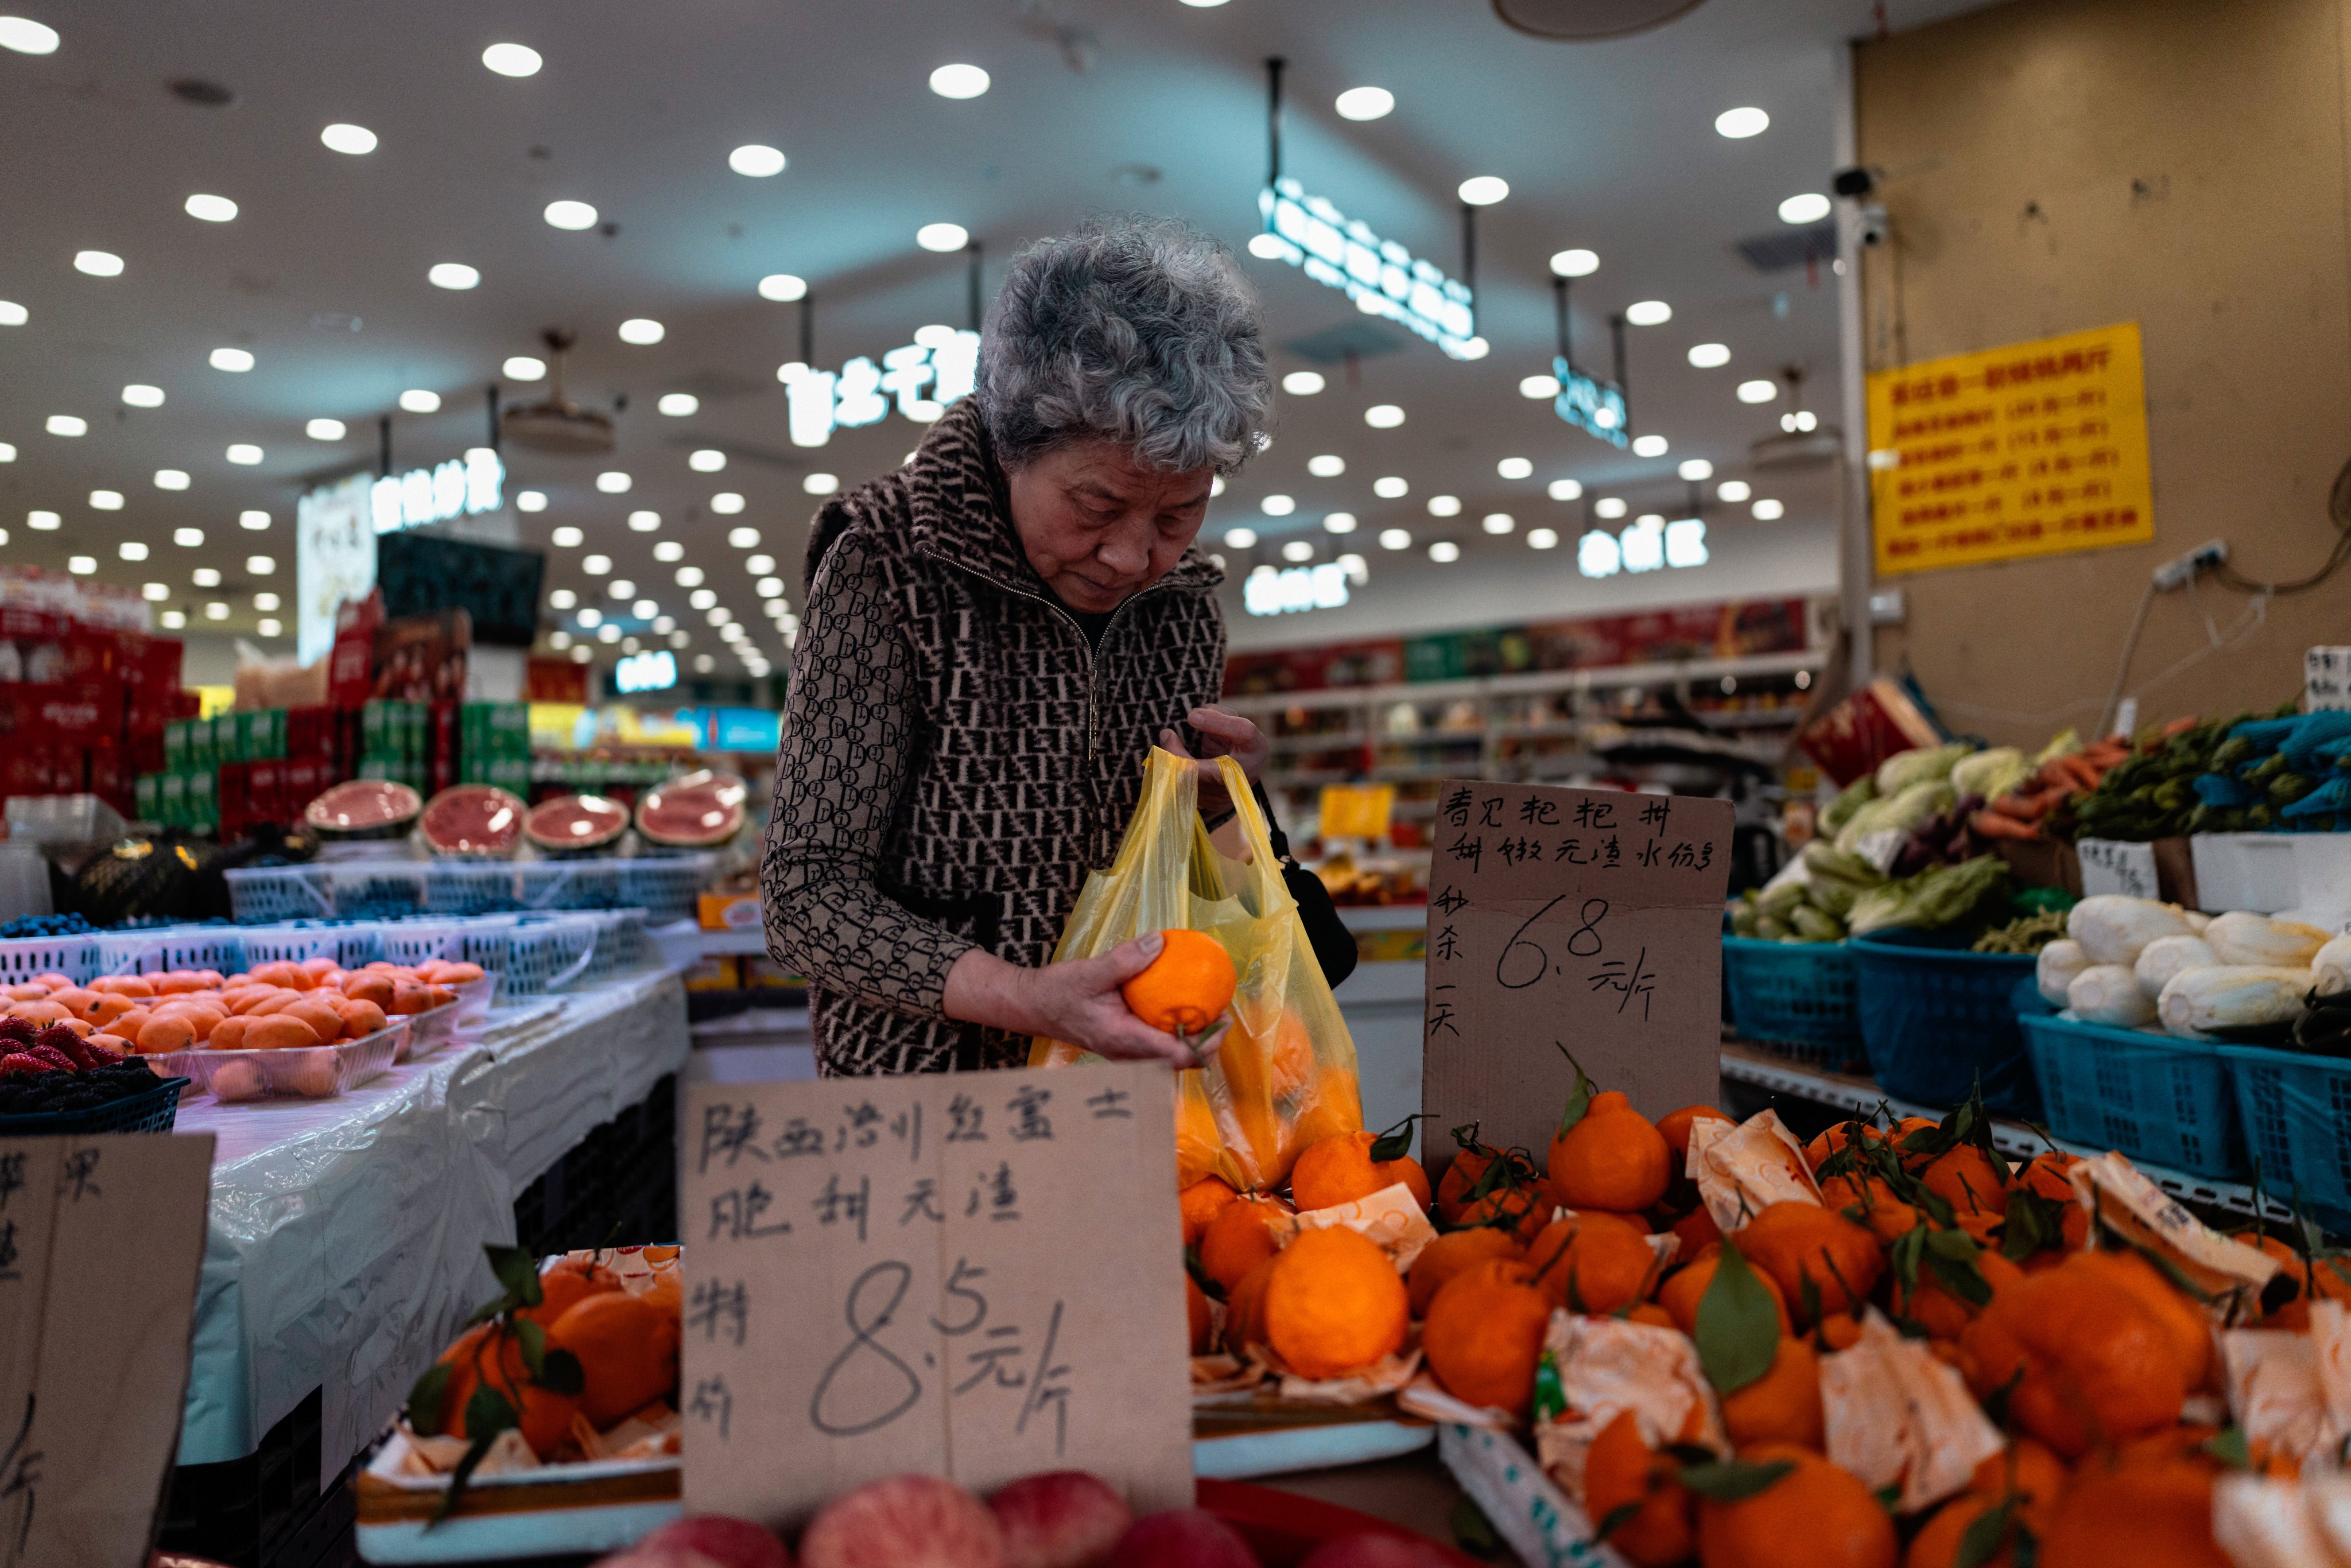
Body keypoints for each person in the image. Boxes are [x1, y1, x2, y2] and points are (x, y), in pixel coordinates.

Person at [762, 216, 1276, 1077]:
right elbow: (807, 898)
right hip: (924, 1101)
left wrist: (1226, 815)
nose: (1132, 557)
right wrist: (1028, 999)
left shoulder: (1182, 608)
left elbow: (1193, 886)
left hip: (1132, 1090)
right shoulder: (887, 562)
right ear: (1010, 448)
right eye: (1096, 506)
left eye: (1177, 516)